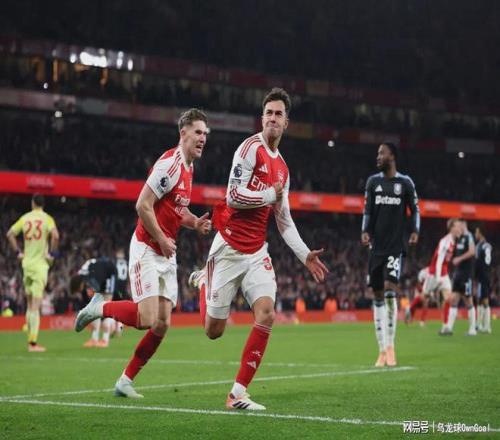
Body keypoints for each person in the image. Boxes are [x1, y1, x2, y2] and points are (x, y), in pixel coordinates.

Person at [191, 88, 328, 411]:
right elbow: (233, 196)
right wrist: (268, 194)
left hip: (256, 253)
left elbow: (284, 220)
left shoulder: (283, 169)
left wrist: (304, 254)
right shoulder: (249, 149)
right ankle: (203, 282)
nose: (272, 119)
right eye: (268, 113)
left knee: (267, 313)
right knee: (213, 331)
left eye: (278, 114)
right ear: (262, 118)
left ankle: (237, 393)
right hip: (228, 247)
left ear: (286, 122)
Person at [75, 108, 212, 398]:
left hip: (165, 251)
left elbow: (177, 209)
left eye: (205, 133)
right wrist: (161, 238)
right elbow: (142, 205)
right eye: (198, 132)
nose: (203, 138)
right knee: (147, 317)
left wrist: (194, 222)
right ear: (183, 133)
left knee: (162, 323)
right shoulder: (169, 165)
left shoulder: (189, 169)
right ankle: (98, 308)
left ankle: (125, 381)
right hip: (147, 247)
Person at [361, 142, 420, 367]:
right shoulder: (372, 182)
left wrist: (415, 231)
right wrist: (365, 231)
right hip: (376, 248)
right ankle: (381, 350)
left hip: (395, 247)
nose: (378, 157)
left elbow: (415, 209)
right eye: (377, 153)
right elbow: (367, 210)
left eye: (381, 153)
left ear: (392, 156)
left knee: (389, 292)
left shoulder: (405, 183)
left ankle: (391, 346)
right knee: (377, 296)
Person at [6, 194, 59, 352]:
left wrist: (18, 252)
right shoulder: (47, 219)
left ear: (32, 203)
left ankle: (30, 339)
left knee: (30, 305)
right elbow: (55, 236)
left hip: (26, 265)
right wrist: (52, 254)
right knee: (36, 306)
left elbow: (10, 234)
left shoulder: (25, 218)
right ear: (43, 204)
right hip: (39, 266)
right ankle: (33, 343)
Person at [70, 256, 118, 347]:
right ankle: (94, 339)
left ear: (79, 285)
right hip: (102, 274)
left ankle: (105, 339)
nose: (79, 292)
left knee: (106, 306)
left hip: (109, 273)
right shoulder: (84, 277)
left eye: (78, 290)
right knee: (96, 309)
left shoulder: (90, 278)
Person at [443, 219, 476, 336]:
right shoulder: (459, 238)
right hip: (458, 274)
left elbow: (472, 251)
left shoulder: (469, 236)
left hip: (466, 274)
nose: (458, 227)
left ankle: (472, 329)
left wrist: (459, 259)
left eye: (459, 225)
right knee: (454, 300)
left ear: (464, 225)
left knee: (468, 301)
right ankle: (449, 328)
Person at [474, 226, 492, 334]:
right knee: (480, 299)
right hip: (487, 274)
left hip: (481, 276)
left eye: (476, 232)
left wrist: (474, 276)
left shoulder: (479, 247)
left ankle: (487, 326)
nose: (475, 234)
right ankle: (479, 324)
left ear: (480, 233)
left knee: (484, 300)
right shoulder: (488, 245)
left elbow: (477, 263)